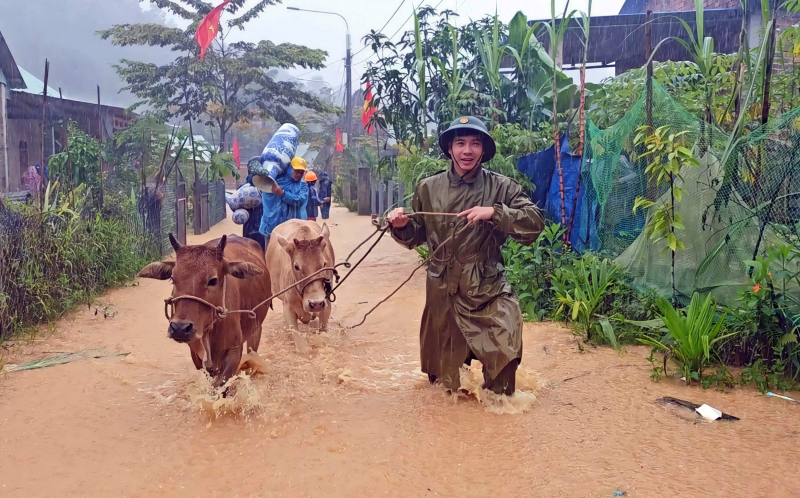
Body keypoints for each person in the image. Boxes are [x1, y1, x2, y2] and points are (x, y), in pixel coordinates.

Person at [386, 116, 544, 396]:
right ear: (449, 149)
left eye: (474, 143)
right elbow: (418, 235)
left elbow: (534, 222)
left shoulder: (502, 187)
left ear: (483, 149)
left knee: (504, 354)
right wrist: (401, 226)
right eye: (460, 143)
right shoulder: (428, 188)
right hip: (443, 288)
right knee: (446, 383)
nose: (467, 151)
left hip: (489, 285)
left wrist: (495, 212)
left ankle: (500, 421)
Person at [259, 157, 309, 248]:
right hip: (271, 228)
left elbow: (300, 200)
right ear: (290, 168)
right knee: (271, 256)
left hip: (293, 230)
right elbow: (265, 193)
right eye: (296, 171)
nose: (299, 174)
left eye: (301, 172)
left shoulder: (303, 186)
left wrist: (282, 194)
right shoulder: (276, 180)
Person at [242, 173, 266, 251]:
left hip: (252, 220)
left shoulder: (245, 185)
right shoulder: (264, 181)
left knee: (249, 246)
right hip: (256, 219)